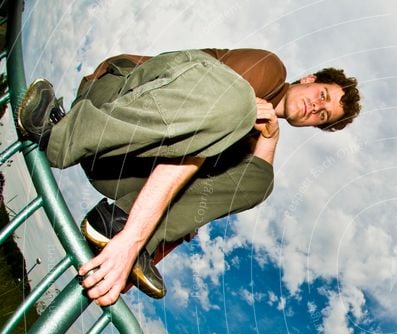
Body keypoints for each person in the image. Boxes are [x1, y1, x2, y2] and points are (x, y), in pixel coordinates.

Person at [17, 48, 360, 306]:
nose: (316, 108)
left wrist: (132, 254)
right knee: (237, 106)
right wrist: (134, 240)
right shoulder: (270, 70)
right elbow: (192, 147)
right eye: (323, 97)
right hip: (112, 106)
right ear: (310, 79)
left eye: (323, 116)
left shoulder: (255, 140)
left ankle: (117, 221)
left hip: (120, 169)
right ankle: (58, 132)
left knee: (259, 180)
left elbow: (190, 198)